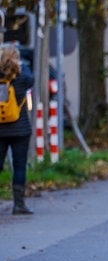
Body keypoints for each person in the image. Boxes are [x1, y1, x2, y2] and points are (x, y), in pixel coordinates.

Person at [0, 44, 34, 215]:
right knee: (19, 165)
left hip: (0, 130)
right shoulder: (23, 76)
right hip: (20, 129)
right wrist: (24, 60)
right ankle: (18, 204)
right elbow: (32, 77)